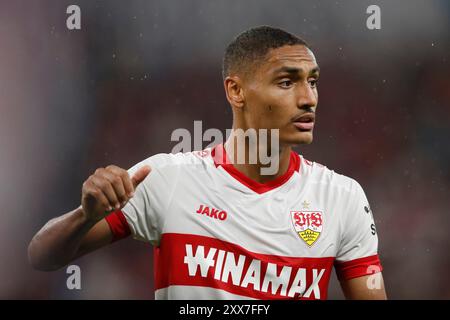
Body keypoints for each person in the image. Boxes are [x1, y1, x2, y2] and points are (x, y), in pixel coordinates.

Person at [28, 26, 386, 300]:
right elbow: (42, 255)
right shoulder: (166, 178)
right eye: (287, 81)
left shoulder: (343, 197)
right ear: (236, 91)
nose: (308, 98)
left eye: (313, 82)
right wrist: (83, 217)